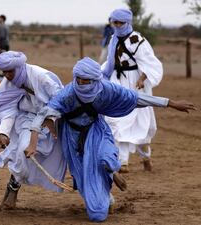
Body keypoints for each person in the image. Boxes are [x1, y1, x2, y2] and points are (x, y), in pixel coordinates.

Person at [26, 57, 195, 222]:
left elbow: (137, 98)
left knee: (105, 157)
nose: (81, 84)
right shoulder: (67, 93)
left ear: (94, 80)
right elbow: (42, 115)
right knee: (91, 197)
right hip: (71, 135)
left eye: (85, 81)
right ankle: (105, 196)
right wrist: (32, 144)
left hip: (96, 129)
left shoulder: (107, 89)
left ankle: (111, 171)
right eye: (78, 80)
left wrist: (171, 103)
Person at [0, 51, 67, 209]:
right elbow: (6, 110)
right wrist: (3, 133)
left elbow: (60, 100)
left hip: (50, 119)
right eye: (4, 72)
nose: (7, 75)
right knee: (23, 150)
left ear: (20, 67)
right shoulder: (7, 84)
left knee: (73, 152)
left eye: (10, 71)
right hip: (26, 119)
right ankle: (13, 189)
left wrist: (50, 119)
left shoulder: (41, 77)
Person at [101, 8, 163, 173]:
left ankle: (146, 156)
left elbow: (150, 63)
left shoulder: (137, 40)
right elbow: (110, 62)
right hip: (117, 82)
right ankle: (123, 162)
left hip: (135, 83)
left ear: (128, 22)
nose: (118, 25)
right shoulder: (113, 38)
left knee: (141, 123)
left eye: (121, 22)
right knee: (117, 120)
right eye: (115, 22)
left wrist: (143, 79)